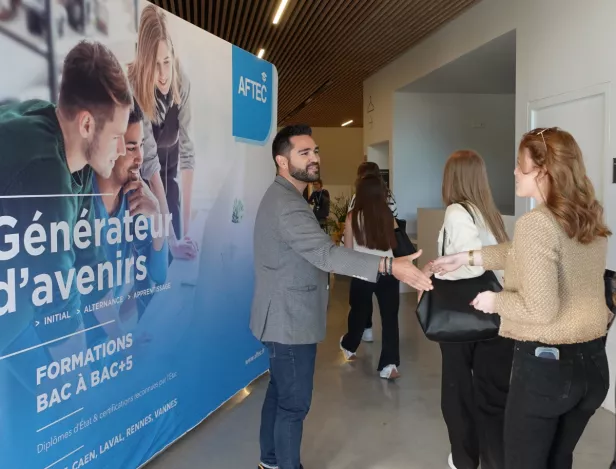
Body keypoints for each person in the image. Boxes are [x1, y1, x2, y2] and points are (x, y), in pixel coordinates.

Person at [251, 124, 432, 469]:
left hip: (284, 317)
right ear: (282, 162)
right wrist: (389, 266)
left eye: (315, 150)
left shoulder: (288, 198)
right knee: (293, 404)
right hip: (288, 320)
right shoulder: (287, 205)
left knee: (279, 393)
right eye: (304, 152)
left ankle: (270, 461)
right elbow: (327, 255)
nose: (315, 157)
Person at [432, 128, 612, 469]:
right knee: (558, 461)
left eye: (520, 165)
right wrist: (468, 257)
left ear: (543, 170)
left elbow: (539, 309)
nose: (514, 171)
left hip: (547, 370)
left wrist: (493, 301)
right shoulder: (583, 215)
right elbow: (521, 252)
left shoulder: (537, 223)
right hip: (592, 366)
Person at [0, 40, 133, 356]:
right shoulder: (44, 168)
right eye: (116, 137)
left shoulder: (76, 158)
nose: (120, 150)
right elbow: (60, 309)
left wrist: (122, 339)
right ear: (87, 123)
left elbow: (89, 257)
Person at [431, 150, 513, 469]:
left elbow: (469, 264)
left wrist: (439, 269)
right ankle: (495, 458)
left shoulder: (456, 211)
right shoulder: (489, 213)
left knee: (457, 390)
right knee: (493, 394)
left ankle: (465, 459)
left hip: (463, 316)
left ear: (451, 178)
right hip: (497, 314)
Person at [91, 99, 169, 329]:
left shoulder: (134, 196)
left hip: (121, 335)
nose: (140, 157)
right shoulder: (82, 203)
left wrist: (156, 217)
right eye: (132, 147)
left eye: (142, 145)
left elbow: (158, 274)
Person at [128, 4, 198, 260]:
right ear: (145, 62)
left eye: (167, 62)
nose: (163, 75)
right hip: (142, 182)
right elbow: (149, 165)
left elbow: (188, 154)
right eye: (155, 64)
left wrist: (185, 235)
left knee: (178, 249)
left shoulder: (182, 80)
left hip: (170, 176)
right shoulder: (134, 87)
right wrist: (171, 240)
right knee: (155, 255)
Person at [340, 174, 401, 379]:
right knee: (390, 319)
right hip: (389, 270)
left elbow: (348, 250)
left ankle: (349, 346)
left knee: (358, 312)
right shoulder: (387, 214)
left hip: (362, 271)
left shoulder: (352, 216)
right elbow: (395, 244)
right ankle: (389, 365)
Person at [347, 161, 398, 342]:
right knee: (390, 316)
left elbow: (349, 244)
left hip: (363, 266)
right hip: (389, 265)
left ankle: (354, 340)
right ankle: (390, 363)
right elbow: (395, 231)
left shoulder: (355, 208)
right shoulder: (388, 206)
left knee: (359, 306)